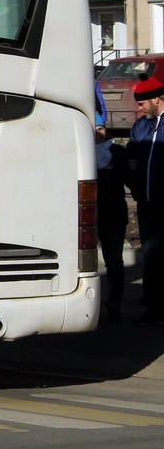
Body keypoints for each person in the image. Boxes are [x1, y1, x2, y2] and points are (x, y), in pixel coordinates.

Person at [125, 76, 164, 325]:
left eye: (142, 104)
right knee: (151, 255)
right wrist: (135, 185)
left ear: (157, 99)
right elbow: (131, 158)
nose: (139, 109)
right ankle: (155, 305)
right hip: (147, 204)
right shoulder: (141, 126)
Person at [94, 110, 128, 321]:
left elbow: (130, 176)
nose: (98, 133)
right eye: (94, 129)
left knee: (114, 261)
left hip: (113, 214)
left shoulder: (116, 152)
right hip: (87, 216)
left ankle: (114, 304)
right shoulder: (80, 152)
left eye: (101, 129)